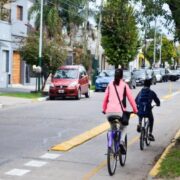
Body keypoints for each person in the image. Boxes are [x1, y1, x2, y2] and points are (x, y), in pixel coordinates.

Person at [102, 68, 138, 152]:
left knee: (112, 127)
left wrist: (104, 109)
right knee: (123, 126)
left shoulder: (110, 84)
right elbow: (131, 99)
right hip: (119, 112)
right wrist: (135, 110)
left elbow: (105, 98)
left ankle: (110, 144)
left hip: (109, 112)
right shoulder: (125, 85)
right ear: (122, 76)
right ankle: (121, 141)